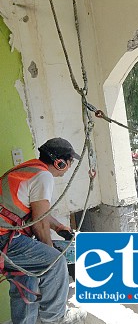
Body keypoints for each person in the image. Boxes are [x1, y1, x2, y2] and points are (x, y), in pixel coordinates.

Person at [0, 138, 87, 324]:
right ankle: (55, 318)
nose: (70, 166)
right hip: (4, 239)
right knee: (55, 262)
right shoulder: (44, 176)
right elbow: (38, 224)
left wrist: (57, 227)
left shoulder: (31, 168)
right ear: (60, 163)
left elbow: (37, 214)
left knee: (26, 276)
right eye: (70, 162)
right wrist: (50, 251)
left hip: (6, 236)